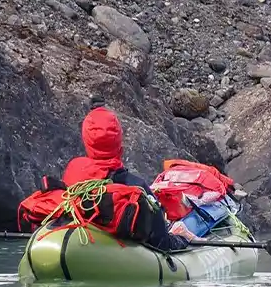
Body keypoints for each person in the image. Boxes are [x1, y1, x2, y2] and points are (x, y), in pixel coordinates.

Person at [44, 106, 185, 250]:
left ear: (86, 144)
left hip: (75, 245)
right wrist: (181, 239)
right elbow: (162, 244)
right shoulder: (136, 187)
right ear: (120, 146)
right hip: (122, 258)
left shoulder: (72, 175)